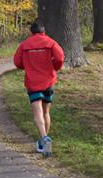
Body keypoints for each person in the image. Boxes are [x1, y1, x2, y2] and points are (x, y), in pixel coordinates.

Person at [13, 22, 64, 157]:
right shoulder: (51, 42)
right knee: (46, 112)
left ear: (31, 32)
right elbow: (60, 58)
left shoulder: (24, 45)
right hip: (49, 81)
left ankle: (44, 138)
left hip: (33, 82)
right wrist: (54, 67)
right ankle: (43, 142)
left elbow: (17, 62)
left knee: (37, 113)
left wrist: (27, 66)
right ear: (43, 31)